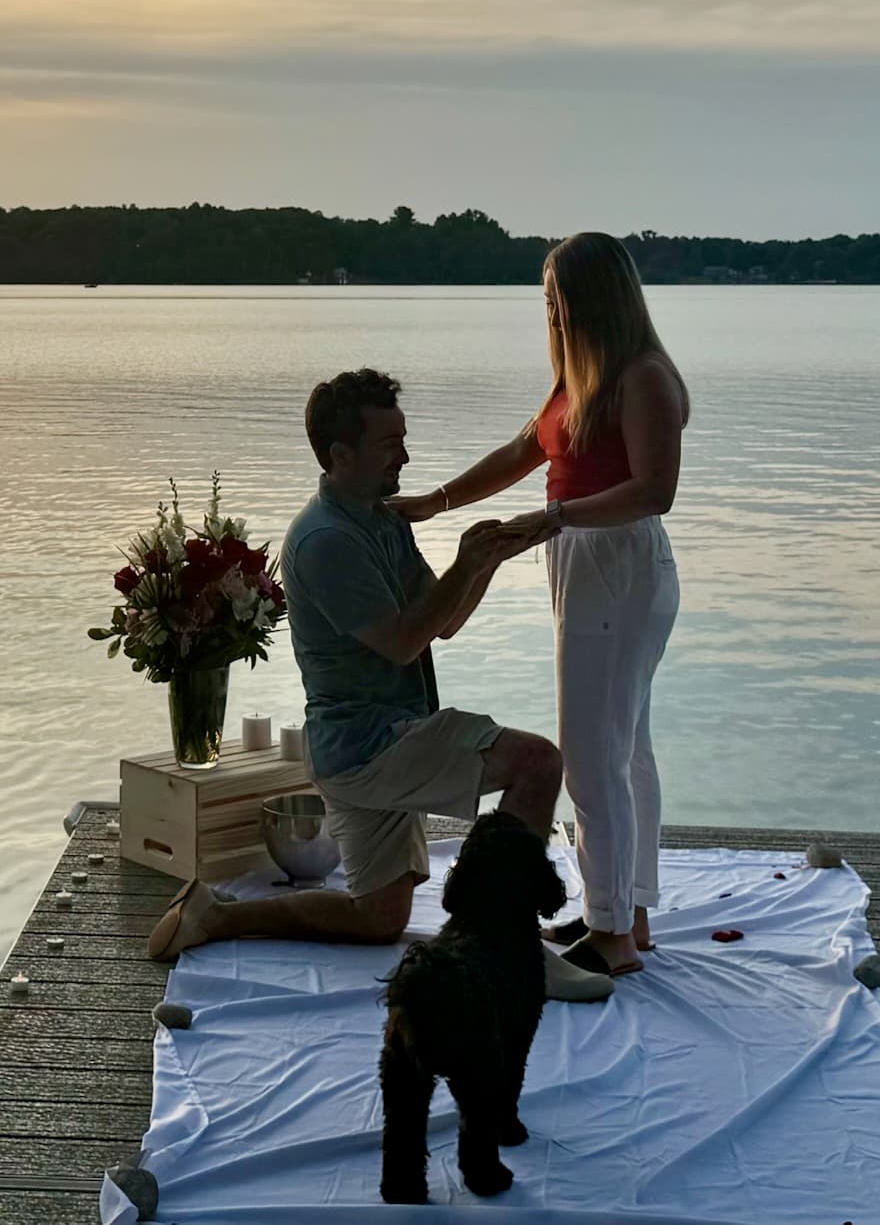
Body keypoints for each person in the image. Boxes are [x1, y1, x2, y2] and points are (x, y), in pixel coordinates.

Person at [144, 367, 614, 1003]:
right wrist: (467, 561)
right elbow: (401, 640)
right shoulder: (325, 541)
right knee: (538, 763)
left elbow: (441, 623)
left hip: (362, 748)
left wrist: (485, 561)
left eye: (403, 438)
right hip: (373, 743)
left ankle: (220, 914)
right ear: (341, 455)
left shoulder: (382, 519)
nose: (406, 454)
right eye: (390, 444)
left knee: (379, 919)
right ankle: (509, 944)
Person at [393, 233, 688, 978]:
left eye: (557, 298)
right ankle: (629, 912)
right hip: (583, 558)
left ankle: (611, 932)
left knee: (593, 756)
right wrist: (437, 500)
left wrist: (557, 518)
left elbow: (655, 492)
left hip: (616, 561)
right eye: (545, 299)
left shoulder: (644, 376)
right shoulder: (577, 381)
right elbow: (527, 447)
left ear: (594, 298)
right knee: (624, 747)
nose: (549, 311)